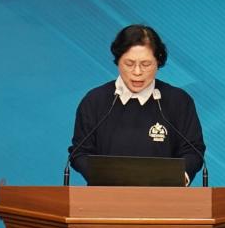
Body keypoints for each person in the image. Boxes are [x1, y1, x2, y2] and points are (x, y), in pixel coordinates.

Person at [67, 23, 205, 184]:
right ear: (118, 61)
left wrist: (179, 178)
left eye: (146, 64)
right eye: (129, 64)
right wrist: (102, 177)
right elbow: (80, 153)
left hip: (164, 196)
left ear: (158, 62)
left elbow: (193, 151)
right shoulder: (95, 100)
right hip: (106, 196)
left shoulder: (178, 101)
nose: (137, 72)